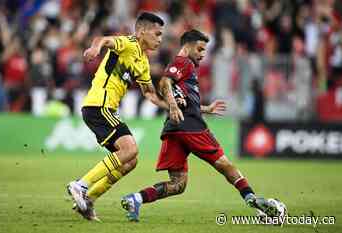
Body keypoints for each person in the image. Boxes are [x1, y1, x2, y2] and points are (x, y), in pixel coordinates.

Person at [121, 29, 280, 222]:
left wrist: (205, 108)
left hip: (174, 128)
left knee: (178, 184)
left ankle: (135, 199)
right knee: (224, 164)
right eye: (200, 49)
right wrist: (172, 105)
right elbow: (164, 82)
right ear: (187, 46)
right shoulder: (183, 62)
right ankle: (253, 200)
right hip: (191, 127)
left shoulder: (185, 67)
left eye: (205, 50)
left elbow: (184, 100)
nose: (203, 54)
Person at [67, 12, 172, 221]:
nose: (160, 39)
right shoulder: (128, 43)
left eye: (162, 35)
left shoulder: (142, 62)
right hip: (99, 105)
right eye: (157, 34)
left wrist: (173, 106)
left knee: (130, 160)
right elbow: (104, 40)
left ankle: (88, 200)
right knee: (130, 148)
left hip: (106, 109)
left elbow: (149, 93)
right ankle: (80, 185)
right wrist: (95, 48)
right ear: (142, 31)